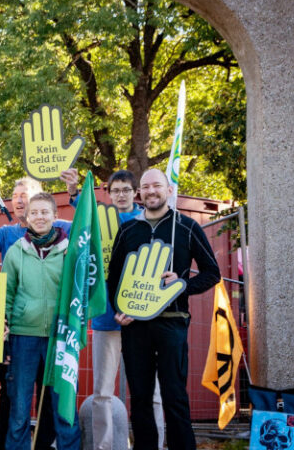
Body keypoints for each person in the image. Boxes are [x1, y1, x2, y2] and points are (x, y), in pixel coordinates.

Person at [108, 169, 220, 450]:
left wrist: (182, 284)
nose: (151, 191)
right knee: (141, 399)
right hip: (135, 325)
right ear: (139, 194)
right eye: (145, 187)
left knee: (174, 397)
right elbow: (114, 277)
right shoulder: (128, 229)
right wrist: (118, 309)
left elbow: (212, 273)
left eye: (157, 185)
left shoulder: (187, 226)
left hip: (172, 321)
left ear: (169, 190)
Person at [61, 168, 165, 450]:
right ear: (108, 193)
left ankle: (153, 444)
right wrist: (73, 191)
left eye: (126, 190)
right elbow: (85, 216)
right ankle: (103, 447)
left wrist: (139, 307)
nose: (121, 195)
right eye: (115, 190)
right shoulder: (103, 218)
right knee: (103, 391)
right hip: (107, 319)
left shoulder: (149, 222)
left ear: (137, 193)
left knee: (151, 392)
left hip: (141, 320)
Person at [0, 176, 68, 450]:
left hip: (52, 331)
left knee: (50, 397)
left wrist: (76, 195)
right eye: (15, 195)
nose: (18, 198)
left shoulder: (62, 233)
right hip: (18, 331)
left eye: (24, 194)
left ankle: (43, 444)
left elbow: (87, 232)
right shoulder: (8, 236)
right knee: (13, 396)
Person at [2, 192, 80, 450]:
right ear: (26, 217)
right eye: (34, 212)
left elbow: (80, 290)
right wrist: (4, 330)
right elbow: (7, 294)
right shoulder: (16, 251)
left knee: (63, 406)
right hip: (23, 336)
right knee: (20, 408)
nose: (39, 217)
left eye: (45, 212)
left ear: (55, 216)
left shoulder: (70, 250)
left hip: (60, 338)